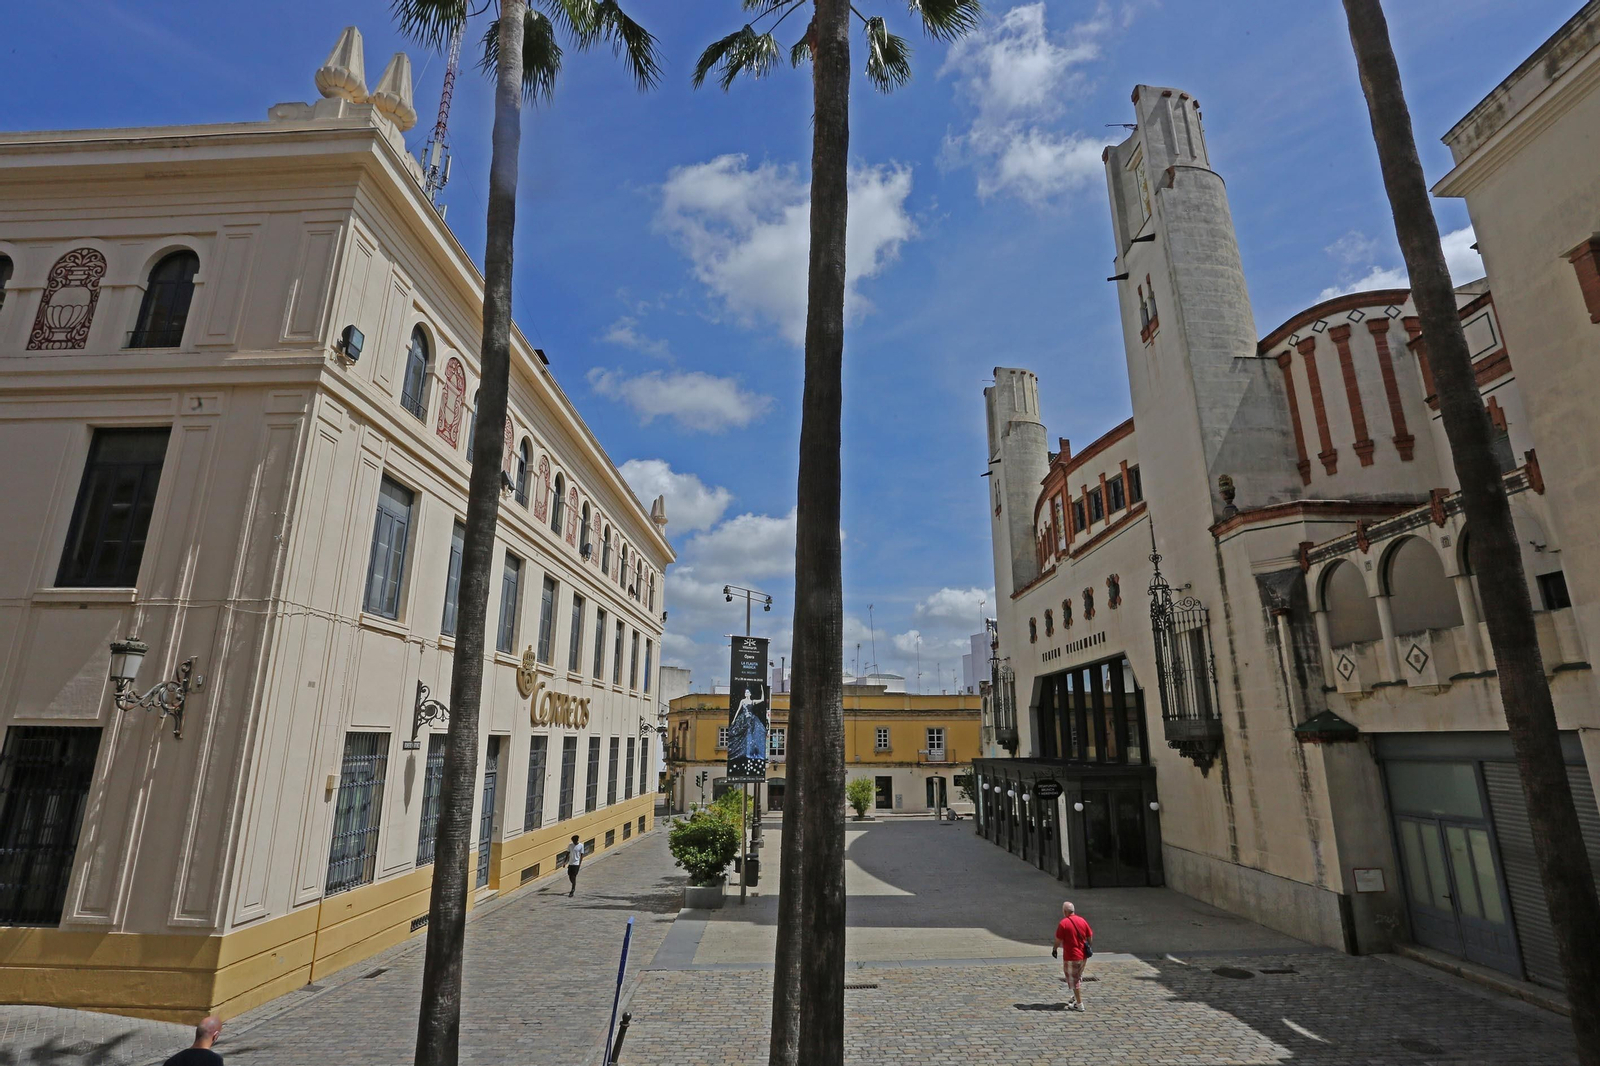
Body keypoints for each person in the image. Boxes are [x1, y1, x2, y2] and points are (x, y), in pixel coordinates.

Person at [1051, 900, 1094, 1012]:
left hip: (1071, 956)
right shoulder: (1082, 921)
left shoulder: (1064, 923)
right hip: (1083, 955)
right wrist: (1088, 947)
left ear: (1065, 911)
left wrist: (1054, 949)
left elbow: (1058, 940)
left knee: (1074, 980)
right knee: (1078, 976)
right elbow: (1089, 937)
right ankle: (1075, 997)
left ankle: (1079, 1004)